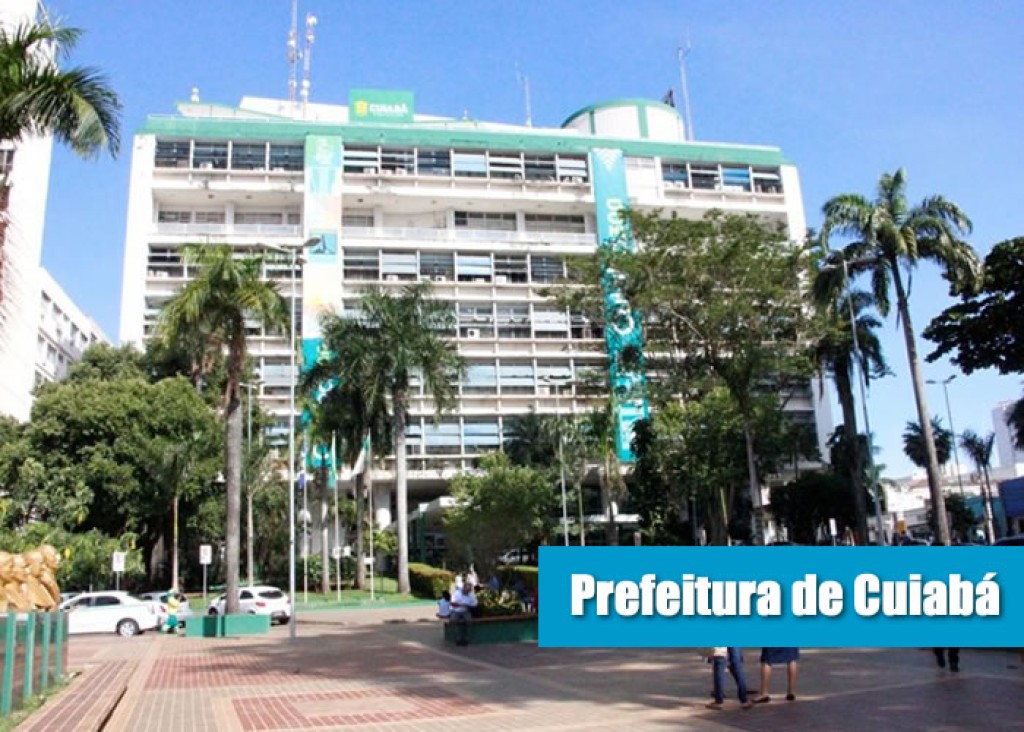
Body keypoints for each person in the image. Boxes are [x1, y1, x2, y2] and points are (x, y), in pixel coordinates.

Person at [450, 581, 478, 646]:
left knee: (469, 621)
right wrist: (460, 604)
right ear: (463, 588)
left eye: (469, 590)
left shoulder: (471, 595)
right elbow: (452, 603)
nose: (467, 592)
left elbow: (475, 604)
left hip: (466, 610)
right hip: (456, 610)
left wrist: (468, 605)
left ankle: (466, 639)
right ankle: (457, 638)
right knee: (453, 621)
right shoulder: (456, 593)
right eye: (466, 590)